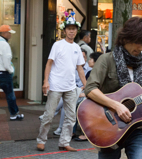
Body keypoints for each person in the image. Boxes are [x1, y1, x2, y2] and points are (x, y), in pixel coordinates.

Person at [84, 17, 142, 159]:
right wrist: (117, 106)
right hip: (109, 128)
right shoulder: (106, 60)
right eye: (138, 43)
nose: (141, 48)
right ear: (126, 38)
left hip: (137, 128)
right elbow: (90, 89)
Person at [36, 16, 86, 152]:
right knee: (49, 115)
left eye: (73, 29)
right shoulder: (57, 45)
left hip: (70, 87)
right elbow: (49, 63)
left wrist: (86, 84)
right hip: (56, 85)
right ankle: (41, 140)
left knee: (71, 117)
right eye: (69, 29)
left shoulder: (77, 47)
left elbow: (80, 68)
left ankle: (64, 142)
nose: (71, 32)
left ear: (76, 31)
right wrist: (45, 81)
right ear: (65, 31)